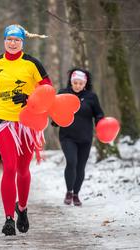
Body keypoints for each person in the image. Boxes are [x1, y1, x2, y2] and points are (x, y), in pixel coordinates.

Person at [0, 24, 53, 236]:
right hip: (2, 121)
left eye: (17, 40)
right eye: (9, 39)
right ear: (4, 41)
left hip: (27, 122)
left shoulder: (32, 63)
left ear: (22, 42)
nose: (13, 43)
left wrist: (29, 98)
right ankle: (8, 218)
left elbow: (48, 90)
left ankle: (22, 209)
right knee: (9, 167)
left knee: (23, 171)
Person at [53, 68, 104, 206]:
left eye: (80, 83)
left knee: (80, 167)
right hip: (67, 136)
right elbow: (55, 111)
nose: (77, 85)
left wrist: (101, 122)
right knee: (72, 162)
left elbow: (98, 114)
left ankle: (76, 194)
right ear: (71, 82)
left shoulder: (91, 97)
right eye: (75, 82)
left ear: (85, 83)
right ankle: (69, 191)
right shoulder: (63, 94)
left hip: (85, 138)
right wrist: (55, 120)